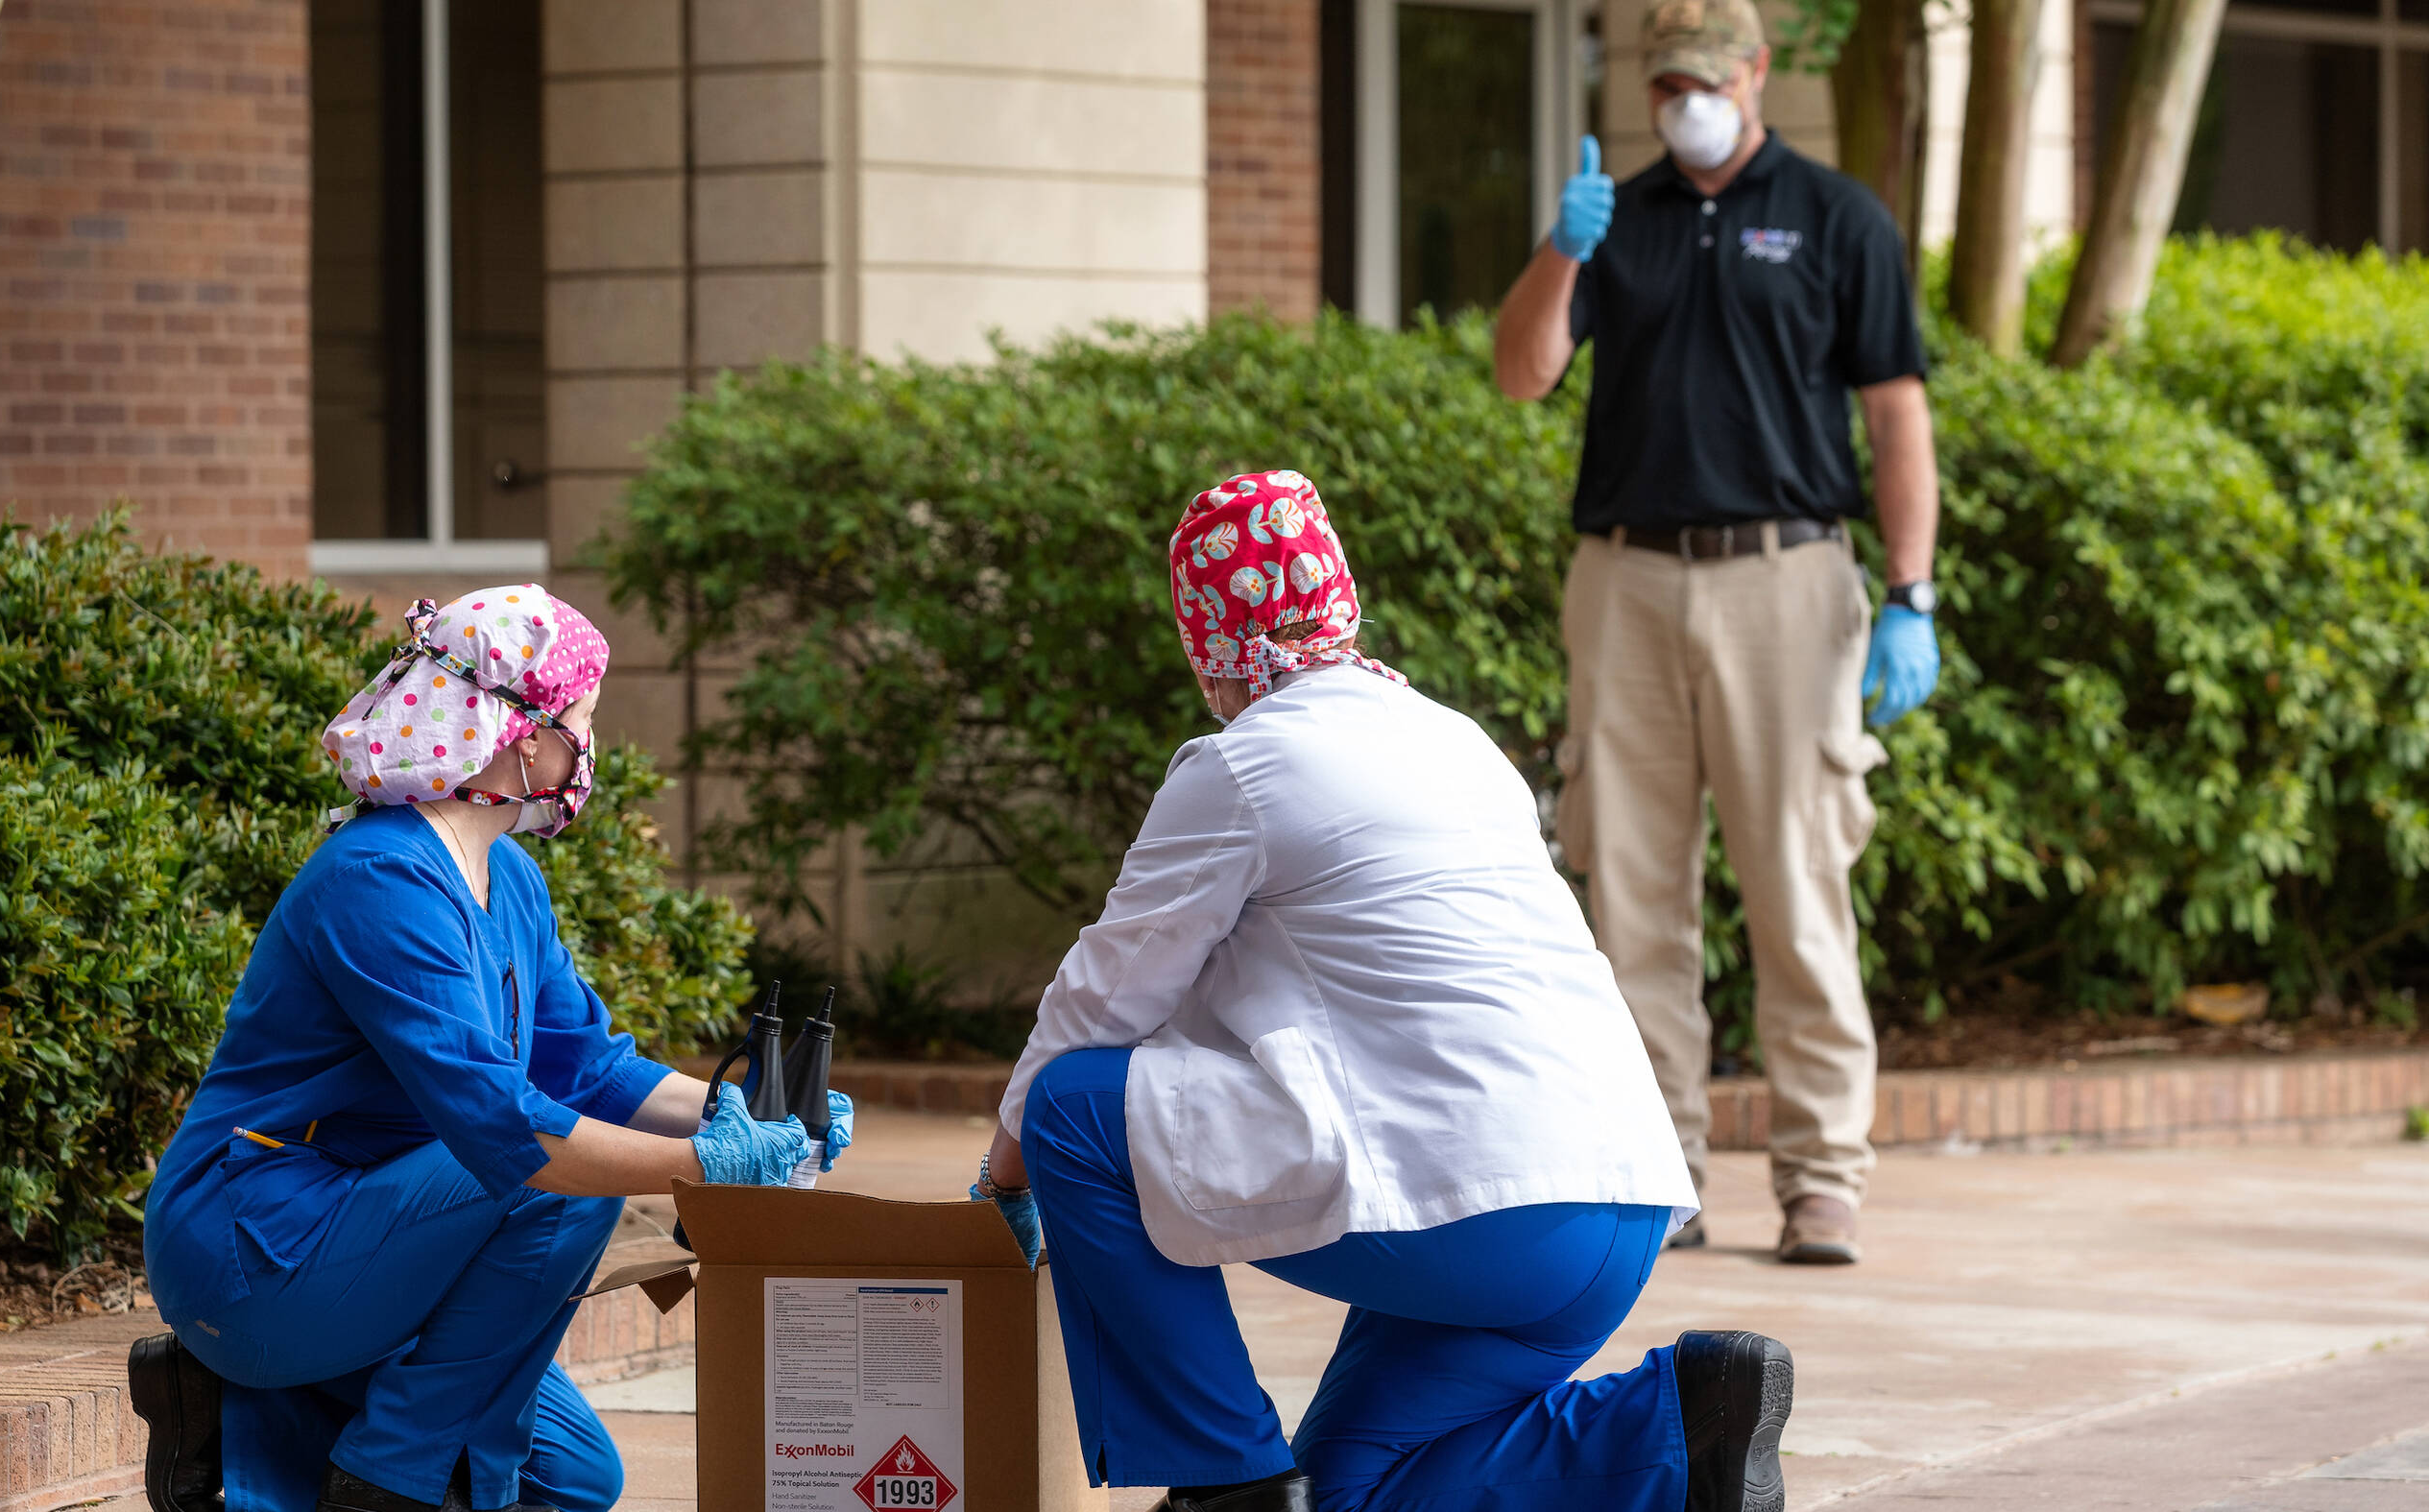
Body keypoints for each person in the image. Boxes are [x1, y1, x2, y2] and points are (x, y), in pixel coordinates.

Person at [972, 470, 1792, 1512]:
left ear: (1207, 647)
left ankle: (1223, 1488)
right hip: (1616, 1202)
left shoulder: (1246, 764)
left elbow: (1101, 999)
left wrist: (1004, 1183)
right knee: (1356, 1491)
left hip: (1484, 1218)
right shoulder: (1452, 738)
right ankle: (1683, 1425)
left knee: (1073, 1112)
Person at [132, 588, 849, 1512]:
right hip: (251, 1245)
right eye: (584, 719)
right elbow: (508, 1131)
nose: (593, 746)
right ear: (521, 736)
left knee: (576, 1477)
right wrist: (698, 1167)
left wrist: (751, 1115)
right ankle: (381, 1485)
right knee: (559, 1186)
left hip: (374, 1230)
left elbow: (586, 1066)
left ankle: (234, 1416)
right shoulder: (379, 878)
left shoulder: (507, 875)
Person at [1490, 0, 1941, 1264]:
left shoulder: (1840, 218)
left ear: (1754, 74)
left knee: (1799, 885)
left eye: (1706, 75)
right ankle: (1661, 1167)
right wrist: (1560, 251)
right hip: (1626, 579)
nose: (1685, 96)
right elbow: (1521, 371)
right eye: (1665, 80)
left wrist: (1913, 595)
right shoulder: (1614, 217)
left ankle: (1822, 1178)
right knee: (1633, 892)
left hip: (1786, 580)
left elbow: (1898, 414)